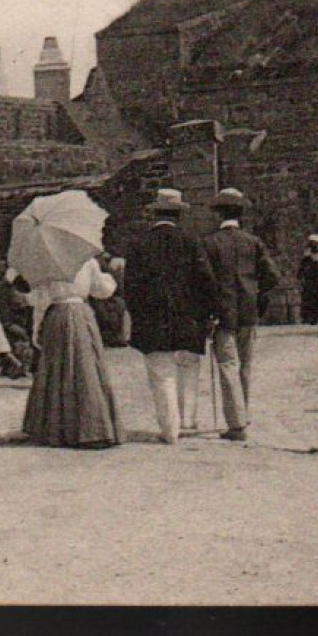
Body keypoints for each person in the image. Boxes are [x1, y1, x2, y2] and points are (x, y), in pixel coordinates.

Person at [124, 188, 224, 444]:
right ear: (179, 215)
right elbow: (206, 280)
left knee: (162, 374)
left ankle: (170, 429)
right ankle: (187, 420)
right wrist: (210, 312)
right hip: (189, 319)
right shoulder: (191, 241)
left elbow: (131, 288)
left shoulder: (139, 244)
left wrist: (137, 316)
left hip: (153, 320)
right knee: (188, 367)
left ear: (155, 214)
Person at [201, 188, 283, 441]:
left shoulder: (210, 243)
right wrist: (257, 293)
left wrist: (209, 308)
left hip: (222, 314)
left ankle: (236, 424)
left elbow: (204, 281)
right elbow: (273, 276)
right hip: (249, 312)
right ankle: (242, 416)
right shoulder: (253, 242)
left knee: (228, 366)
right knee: (245, 366)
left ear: (218, 214)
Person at [21, 254, 123, 448]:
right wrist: (108, 276)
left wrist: (36, 328)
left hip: (57, 315)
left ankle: (56, 429)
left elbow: (41, 300)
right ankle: (93, 426)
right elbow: (104, 291)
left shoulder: (47, 263)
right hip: (81, 313)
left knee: (57, 368)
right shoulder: (87, 261)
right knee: (86, 367)